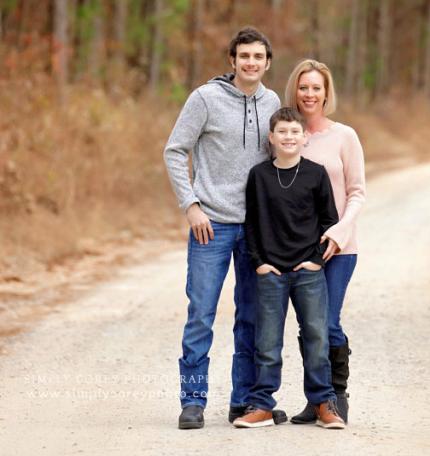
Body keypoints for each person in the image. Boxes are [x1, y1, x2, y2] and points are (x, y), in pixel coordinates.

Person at [163, 27, 283, 429]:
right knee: (201, 314)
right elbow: (175, 150)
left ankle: (244, 402)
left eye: (258, 57)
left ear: (267, 63)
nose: (251, 62)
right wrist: (191, 205)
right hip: (210, 225)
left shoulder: (273, 103)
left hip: (256, 229)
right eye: (243, 56)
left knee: (251, 317)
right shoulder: (205, 99)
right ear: (232, 61)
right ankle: (192, 400)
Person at [233, 107, 345, 429]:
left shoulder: (315, 173)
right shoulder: (260, 176)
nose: (288, 137)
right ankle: (263, 405)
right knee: (267, 342)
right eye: (282, 132)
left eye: (294, 132)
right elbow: (251, 224)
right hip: (272, 273)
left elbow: (329, 221)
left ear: (304, 137)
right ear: (271, 137)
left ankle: (324, 403)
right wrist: (260, 263)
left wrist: (317, 261)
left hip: (308, 271)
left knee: (316, 337)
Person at [283, 59, 366, 424]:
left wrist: (340, 230)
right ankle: (316, 399)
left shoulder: (344, 136)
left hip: (340, 248)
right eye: (304, 87)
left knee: (327, 322)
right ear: (295, 91)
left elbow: (357, 192)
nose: (310, 94)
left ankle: (337, 395)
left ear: (326, 92)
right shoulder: (287, 134)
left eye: (316, 88)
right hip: (301, 249)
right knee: (308, 326)